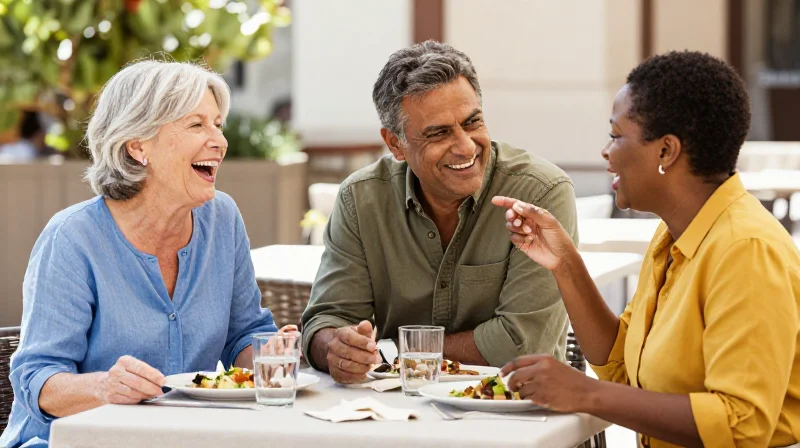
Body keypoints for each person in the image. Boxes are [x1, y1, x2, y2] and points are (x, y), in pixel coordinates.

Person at [494, 51, 800, 447]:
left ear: (666, 151)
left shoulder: (746, 250)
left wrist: (584, 393)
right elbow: (623, 368)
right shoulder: (673, 236)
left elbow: (740, 425)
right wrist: (564, 263)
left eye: (616, 135)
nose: (606, 151)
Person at [0, 60, 291, 448]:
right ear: (138, 145)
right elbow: (37, 381)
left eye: (217, 124)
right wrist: (106, 387)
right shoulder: (73, 238)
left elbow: (244, 333)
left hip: (184, 438)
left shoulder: (223, 219)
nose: (219, 140)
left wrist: (269, 354)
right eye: (196, 124)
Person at [302, 40, 578, 384]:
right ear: (395, 144)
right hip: (396, 416)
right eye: (439, 133)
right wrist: (336, 348)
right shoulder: (361, 199)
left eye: (472, 122)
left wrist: (395, 353)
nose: (465, 145)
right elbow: (326, 320)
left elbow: (521, 344)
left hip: (518, 413)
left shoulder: (540, 193)